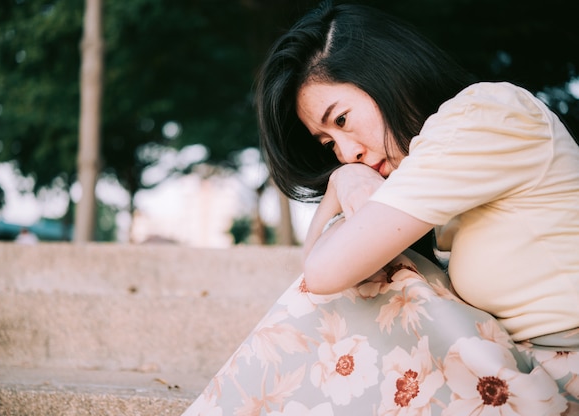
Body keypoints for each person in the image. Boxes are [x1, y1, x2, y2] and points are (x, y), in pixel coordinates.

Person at [182, 2, 579, 415]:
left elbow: (322, 273)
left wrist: (341, 184)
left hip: (563, 379)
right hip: (529, 372)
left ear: (385, 72)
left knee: (366, 277)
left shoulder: (484, 113)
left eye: (342, 120)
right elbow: (318, 275)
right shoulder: (444, 168)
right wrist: (342, 182)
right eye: (329, 145)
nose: (347, 152)